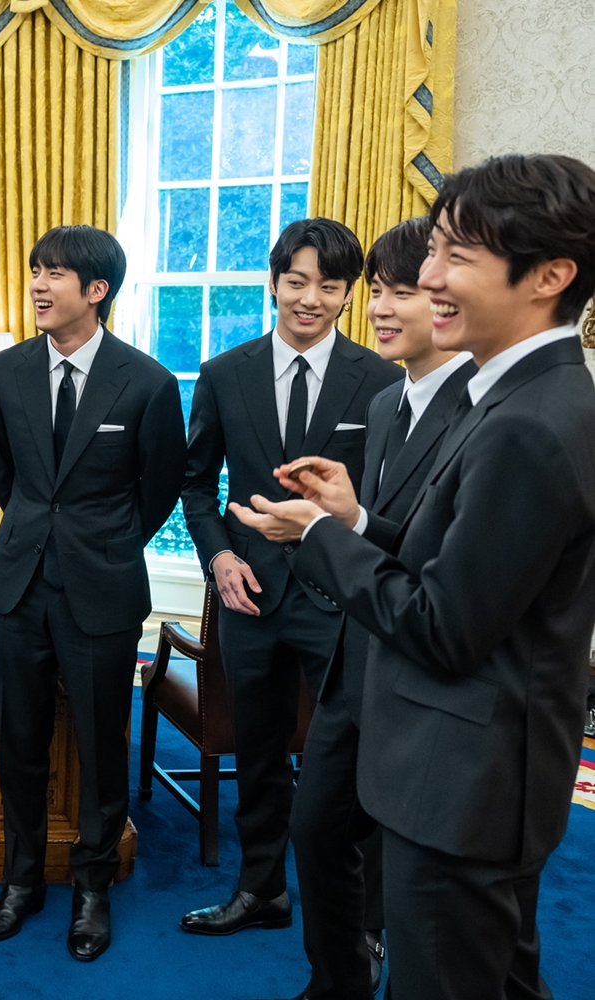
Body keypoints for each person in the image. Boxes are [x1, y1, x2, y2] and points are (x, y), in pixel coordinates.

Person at [232, 153, 595, 1000]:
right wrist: (360, 521)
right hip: (472, 766)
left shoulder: (530, 423)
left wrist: (322, 534)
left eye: (454, 256)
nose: (427, 279)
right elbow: (465, 562)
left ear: (549, 275)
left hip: (460, 781)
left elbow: (441, 622)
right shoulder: (528, 398)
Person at [180, 219, 403, 936]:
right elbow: (196, 485)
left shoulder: (382, 380)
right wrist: (219, 557)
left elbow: (387, 500)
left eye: (330, 286)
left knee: (358, 761)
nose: (310, 299)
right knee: (259, 752)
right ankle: (261, 890)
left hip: (343, 600)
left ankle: (364, 923)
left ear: (348, 294)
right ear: (274, 283)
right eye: (297, 282)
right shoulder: (222, 373)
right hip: (249, 595)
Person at [0, 226, 185, 961]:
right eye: (34, 269)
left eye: (54, 273)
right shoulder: (1, 373)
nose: (36, 284)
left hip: (103, 587)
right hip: (21, 583)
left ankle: (93, 886)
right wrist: (41, 527)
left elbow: (157, 490)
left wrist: (104, 540)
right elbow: (7, 477)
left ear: (96, 291)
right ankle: (21, 881)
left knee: (100, 744)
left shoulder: (150, 382)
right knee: (19, 741)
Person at [278, 217, 474, 1000]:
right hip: (356, 665)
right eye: (382, 293)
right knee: (315, 831)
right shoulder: (391, 401)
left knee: (407, 873)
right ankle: (336, 983)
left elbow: (443, 573)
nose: (384, 310)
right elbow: (399, 537)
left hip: (423, 675)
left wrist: (330, 531)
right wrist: (349, 517)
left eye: (406, 293)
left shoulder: (480, 411)